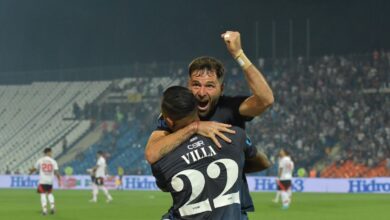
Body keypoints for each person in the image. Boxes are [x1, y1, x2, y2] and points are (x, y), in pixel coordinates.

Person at [145, 30, 274, 218]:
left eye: (210, 85)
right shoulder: (178, 113)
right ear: (188, 85)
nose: (201, 92)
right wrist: (195, 128)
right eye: (196, 84)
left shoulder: (229, 108)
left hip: (230, 208)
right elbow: (152, 152)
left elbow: (266, 100)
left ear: (221, 89)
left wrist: (238, 54)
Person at [152, 86, 267, 219]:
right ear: (196, 109)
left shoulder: (162, 159)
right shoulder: (235, 135)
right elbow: (260, 160)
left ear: (169, 121)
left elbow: (165, 187)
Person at [29, 148, 62, 215]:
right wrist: (59, 180)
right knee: (50, 193)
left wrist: (30, 172)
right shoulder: (53, 161)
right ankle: (52, 207)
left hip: (42, 180)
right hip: (50, 181)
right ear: (49, 152)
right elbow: (56, 172)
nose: (51, 154)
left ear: (44, 153)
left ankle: (44, 210)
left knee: (43, 194)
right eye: (51, 152)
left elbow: (34, 169)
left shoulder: (40, 160)